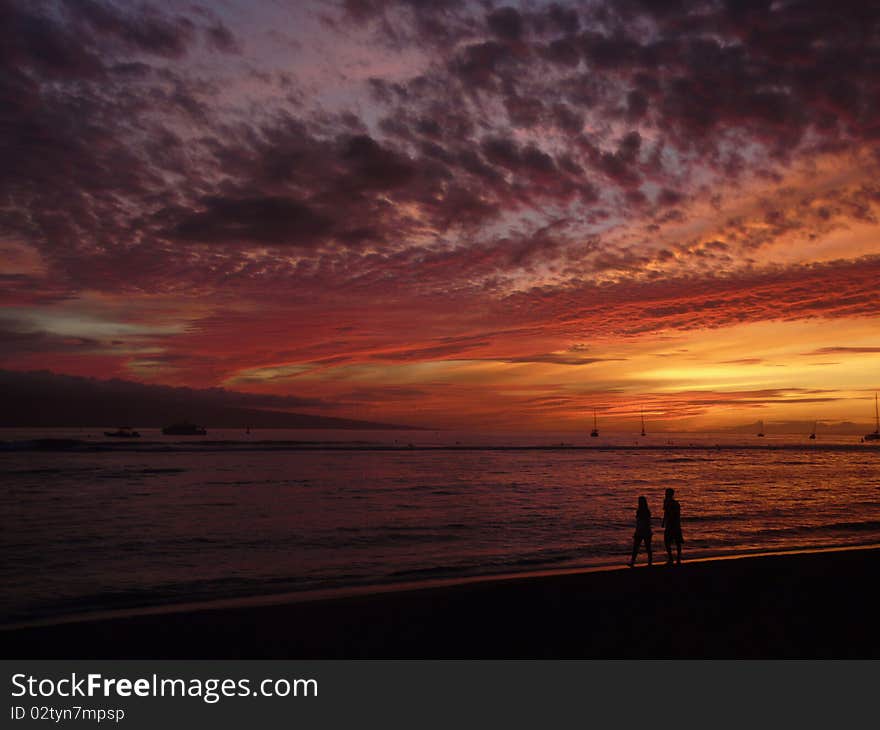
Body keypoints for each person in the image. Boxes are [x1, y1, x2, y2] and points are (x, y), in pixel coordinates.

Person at [628, 496, 653, 567]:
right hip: (644, 531)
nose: (639, 503)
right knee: (644, 547)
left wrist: (637, 531)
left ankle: (633, 562)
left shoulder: (642, 511)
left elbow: (642, 523)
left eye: (640, 502)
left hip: (643, 531)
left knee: (638, 547)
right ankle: (649, 562)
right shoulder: (644, 511)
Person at [662, 487, 683, 565]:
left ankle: (678, 558)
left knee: (677, 542)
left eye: (667, 493)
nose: (666, 495)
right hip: (669, 525)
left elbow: (676, 515)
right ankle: (671, 557)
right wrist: (663, 522)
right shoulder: (666, 502)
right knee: (667, 542)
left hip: (675, 525)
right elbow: (665, 512)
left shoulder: (675, 503)